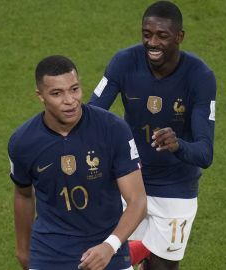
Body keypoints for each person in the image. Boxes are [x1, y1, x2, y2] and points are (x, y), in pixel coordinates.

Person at [89, 1, 217, 269]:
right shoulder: (124, 62)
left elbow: (205, 154)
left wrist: (177, 144)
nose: (152, 42)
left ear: (180, 37)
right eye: (147, 34)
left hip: (176, 190)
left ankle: (147, 254)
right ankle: (141, 252)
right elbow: (91, 116)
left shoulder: (200, 76)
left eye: (162, 35)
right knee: (110, 262)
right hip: (129, 182)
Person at [8, 55, 147, 270]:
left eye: (74, 89)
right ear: (40, 96)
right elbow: (23, 194)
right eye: (57, 93)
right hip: (50, 255)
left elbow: (137, 199)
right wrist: (23, 251)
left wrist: (110, 246)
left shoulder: (112, 129)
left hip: (109, 254)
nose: (70, 100)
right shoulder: (23, 142)